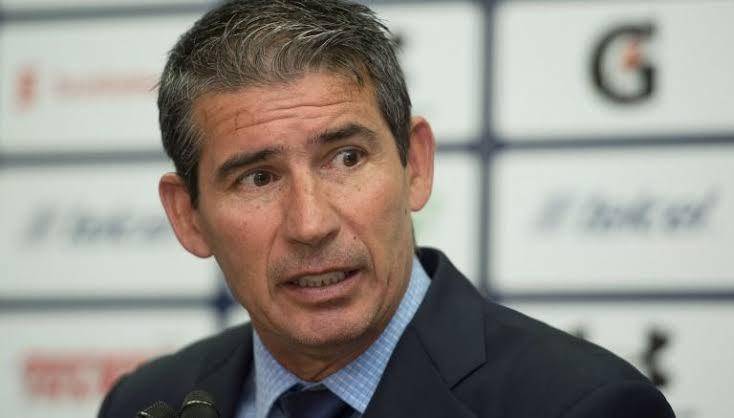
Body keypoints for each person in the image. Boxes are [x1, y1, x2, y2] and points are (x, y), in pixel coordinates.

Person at [99, 1, 675, 417]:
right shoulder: (144, 402)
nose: (311, 224)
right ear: (188, 216)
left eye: (346, 158)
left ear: (414, 164)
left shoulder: (583, 405)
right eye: (258, 178)